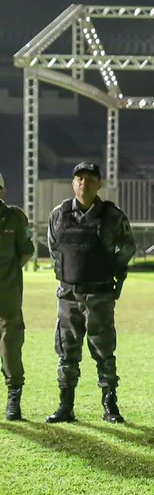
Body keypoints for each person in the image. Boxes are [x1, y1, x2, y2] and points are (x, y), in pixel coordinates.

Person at [45, 162, 136, 424]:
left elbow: (127, 248)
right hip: (69, 296)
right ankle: (65, 406)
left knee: (104, 351)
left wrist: (110, 268)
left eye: (90, 179)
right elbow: (54, 249)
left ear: (99, 184)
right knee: (66, 352)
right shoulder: (59, 215)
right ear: (73, 183)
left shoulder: (112, 216)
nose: (84, 183)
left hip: (99, 295)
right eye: (79, 179)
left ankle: (110, 406)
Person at [0, 171, 35, 421]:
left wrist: (8, 276)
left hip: (7, 294)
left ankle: (14, 397)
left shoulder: (14, 217)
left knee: (11, 345)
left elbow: (25, 252)